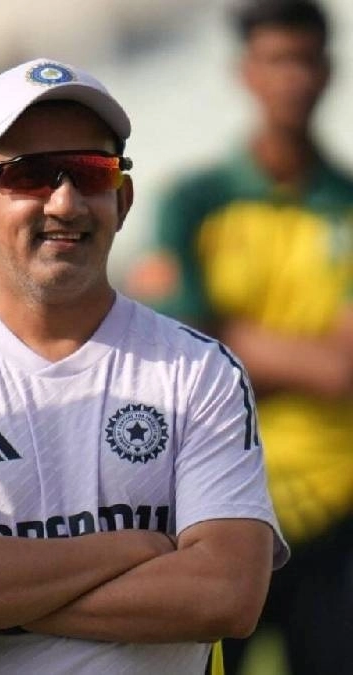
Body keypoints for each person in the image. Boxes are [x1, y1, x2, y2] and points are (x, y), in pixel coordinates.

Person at [0, 57, 288, 674]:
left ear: (123, 198)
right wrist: (135, 548)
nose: (64, 202)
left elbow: (226, 594)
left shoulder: (199, 369)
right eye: (30, 175)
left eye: (90, 172)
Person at [126, 1, 353, 672]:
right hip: (212, 503)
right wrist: (306, 355)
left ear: (328, 70)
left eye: (304, 59)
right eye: (276, 60)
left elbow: (343, 369)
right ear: (245, 72)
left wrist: (225, 341)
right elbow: (173, 349)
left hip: (337, 508)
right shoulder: (193, 201)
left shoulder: (346, 204)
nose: (292, 78)